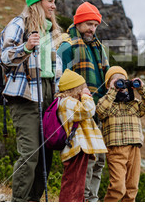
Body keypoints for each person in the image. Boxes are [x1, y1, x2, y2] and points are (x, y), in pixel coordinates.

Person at [0, 0, 62, 202]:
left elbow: (58, 67)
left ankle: (33, 204)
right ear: (37, 2)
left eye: (54, 2)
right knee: (30, 155)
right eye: (50, 1)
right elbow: (4, 58)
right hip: (25, 95)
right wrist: (26, 47)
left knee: (46, 157)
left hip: (48, 95)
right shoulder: (19, 24)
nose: (54, 6)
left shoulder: (52, 31)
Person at [57, 2, 109, 201]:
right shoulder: (67, 46)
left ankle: (92, 199)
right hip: (79, 111)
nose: (92, 29)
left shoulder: (99, 48)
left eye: (95, 25)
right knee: (85, 159)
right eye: (88, 24)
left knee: (100, 159)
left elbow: (105, 76)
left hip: (99, 109)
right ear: (77, 23)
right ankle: (83, 199)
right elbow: (59, 79)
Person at [96, 66, 145, 202]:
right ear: (109, 84)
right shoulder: (106, 103)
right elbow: (100, 111)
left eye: (123, 81)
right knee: (117, 187)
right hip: (115, 149)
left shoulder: (134, 104)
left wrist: (141, 87)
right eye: (116, 82)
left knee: (132, 188)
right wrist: (112, 90)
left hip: (134, 148)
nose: (121, 85)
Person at [56, 69, 107, 202]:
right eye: (83, 88)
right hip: (75, 148)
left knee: (79, 185)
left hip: (81, 148)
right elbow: (89, 110)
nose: (86, 91)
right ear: (75, 89)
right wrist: (86, 96)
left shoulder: (72, 103)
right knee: (73, 183)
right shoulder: (66, 102)